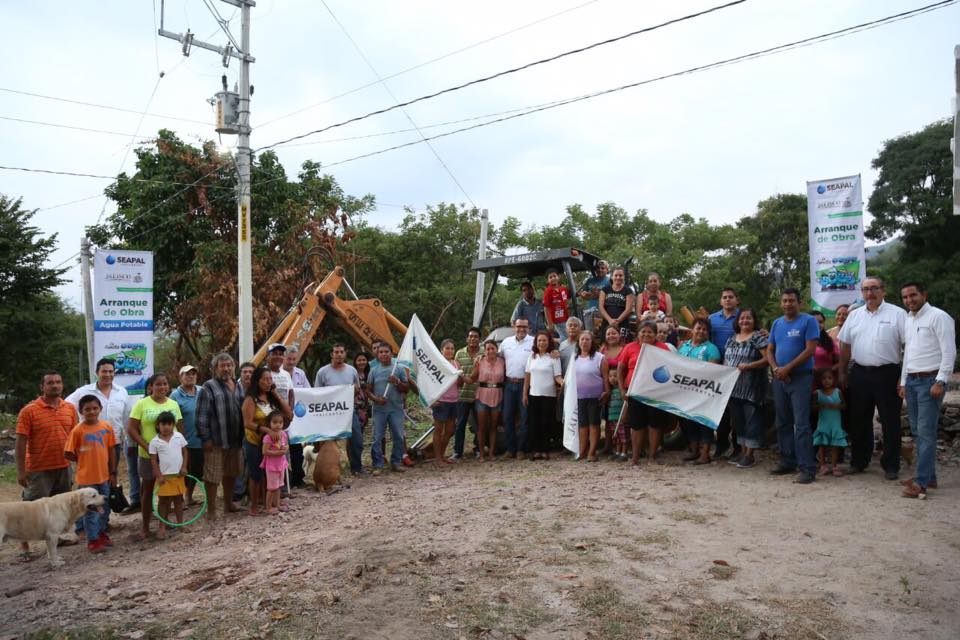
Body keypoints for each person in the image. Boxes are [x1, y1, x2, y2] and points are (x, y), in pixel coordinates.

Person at [837, 277, 906, 479]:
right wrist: (842, 371)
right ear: (862, 292)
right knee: (859, 420)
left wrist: (903, 377)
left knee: (890, 420)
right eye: (866, 289)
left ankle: (891, 465)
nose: (870, 293)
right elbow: (845, 346)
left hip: (888, 373)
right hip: (859, 373)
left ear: (883, 291)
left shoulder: (898, 314)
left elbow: (908, 346)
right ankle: (859, 461)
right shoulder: (855, 315)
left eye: (874, 288)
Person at [899, 282, 956, 499]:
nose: (909, 300)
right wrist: (903, 381)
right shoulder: (909, 319)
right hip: (913, 381)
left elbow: (949, 352)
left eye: (913, 295)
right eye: (905, 297)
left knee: (925, 433)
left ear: (924, 294)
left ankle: (921, 483)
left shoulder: (938, 317)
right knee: (917, 431)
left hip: (930, 381)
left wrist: (940, 381)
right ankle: (929, 477)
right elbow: (908, 354)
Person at [15, 371, 78, 559]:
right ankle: (24, 548)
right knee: (30, 510)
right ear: (42, 387)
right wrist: (21, 471)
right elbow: (20, 442)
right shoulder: (29, 410)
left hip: (63, 466)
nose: (55, 386)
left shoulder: (69, 408)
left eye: (58, 382)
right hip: (38, 469)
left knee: (60, 507)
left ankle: (56, 538)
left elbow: (75, 436)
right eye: (50, 383)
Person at [766, 288, 820, 484]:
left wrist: (787, 368)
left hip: (800, 377)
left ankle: (807, 468)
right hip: (780, 378)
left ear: (799, 303)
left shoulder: (808, 321)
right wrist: (775, 369)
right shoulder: (777, 323)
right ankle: (787, 461)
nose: (788, 304)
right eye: (785, 301)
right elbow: (770, 350)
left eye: (792, 301)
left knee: (802, 424)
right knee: (783, 422)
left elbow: (810, 350)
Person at [127, 372, 183, 539]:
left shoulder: (173, 404)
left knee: (169, 490)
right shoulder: (141, 404)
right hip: (148, 456)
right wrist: (148, 446)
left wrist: (178, 449)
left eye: (165, 384)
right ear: (150, 387)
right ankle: (145, 527)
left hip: (171, 456)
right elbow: (132, 429)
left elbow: (179, 427)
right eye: (158, 384)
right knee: (148, 490)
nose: (162, 387)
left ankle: (163, 525)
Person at [63, 395, 117, 553]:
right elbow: (68, 453)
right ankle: (92, 540)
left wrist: (113, 472)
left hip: (104, 476)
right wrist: (81, 459)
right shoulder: (78, 430)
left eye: (95, 408)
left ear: (100, 409)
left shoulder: (106, 427)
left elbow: (111, 450)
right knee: (91, 510)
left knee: (104, 508)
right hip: (87, 479)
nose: (92, 412)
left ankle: (101, 533)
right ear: (81, 411)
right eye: (87, 409)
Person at [195, 353, 244, 522]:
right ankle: (211, 510)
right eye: (222, 366)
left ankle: (228, 504)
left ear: (234, 366)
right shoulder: (208, 386)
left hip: (235, 439)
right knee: (212, 476)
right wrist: (205, 438)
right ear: (215, 368)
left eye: (229, 365)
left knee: (231, 473)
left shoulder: (238, 386)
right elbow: (201, 415)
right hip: (215, 440)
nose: (226, 368)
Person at [65, 358, 128, 485]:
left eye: (111, 372)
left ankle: (107, 504)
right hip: (90, 443)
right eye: (104, 371)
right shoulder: (84, 391)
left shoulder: (122, 391)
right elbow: (66, 405)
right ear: (97, 372)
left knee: (110, 478)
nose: (108, 375)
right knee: (90, 479)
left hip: (113, 443)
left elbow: (125, 416)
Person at [618, 321, 672, 466]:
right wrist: (622, 389)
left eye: (650, 332)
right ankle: (635, 457)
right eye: (643, 331)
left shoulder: (663, 348)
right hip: (635, 392)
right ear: (638, 333)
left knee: (655, 425)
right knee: (636, 425)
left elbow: (670, 369)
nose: (646, 334)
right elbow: (621, 369)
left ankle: (652, 456)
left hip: (655, 393)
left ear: (655, 334)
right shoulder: (630, 347)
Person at [722, 309, 768, 469]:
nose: (745, 321)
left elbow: (768, 359)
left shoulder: (758, 337)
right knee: (738, 422)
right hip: (733, 388)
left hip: (752, 387)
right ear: (737, 321)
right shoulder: (731, 339)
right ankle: (742, 452)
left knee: (752, 421)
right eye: (742, 318)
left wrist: (749, 366)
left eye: (749, 318)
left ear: (754, 320)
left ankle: (750, 455)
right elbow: (725, 360)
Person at [242, 367, 291, 516]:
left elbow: (289, 413)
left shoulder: (271, 398)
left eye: (271, 379)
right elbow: (247, 423)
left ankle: (269, 502)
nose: (269, 382)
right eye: (265, 379)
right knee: (256, 474)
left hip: (273, 443)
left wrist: (275, 392)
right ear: (258, 381)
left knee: (271, 473)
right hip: (255, 441)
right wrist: (267, 430)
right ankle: (254, 505)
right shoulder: (250, 400)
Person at [678, 318, 723, 466]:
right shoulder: (684, 347)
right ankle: (694, 451)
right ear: (692, 329)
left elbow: (713, 370)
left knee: (704, 423)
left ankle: (705, 455)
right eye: (698, 328)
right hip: (685, 392)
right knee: (689, 422)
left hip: (704, 393)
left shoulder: (712, 349)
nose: (701, 331)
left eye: (704, 329)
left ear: (708, 332)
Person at [315, 344, 365, 475]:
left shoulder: (352, 370)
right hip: (329, 413)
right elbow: (317, 393)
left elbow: (357, 390)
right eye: (336, 352)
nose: (339, 354)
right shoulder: (322, 372)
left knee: (357, 440)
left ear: (345, 354)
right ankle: (328, 470)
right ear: (331, 354)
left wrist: (355, 391)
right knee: (328, 443)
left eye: (341, 352)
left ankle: (356, 468)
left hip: (349, 411)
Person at [366, 344, 410, 472]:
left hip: (396, 408)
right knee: (377, 437)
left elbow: (406, 388)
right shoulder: (374, 370)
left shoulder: (399, 369)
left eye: (386, 351)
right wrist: (376, 399)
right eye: (381, 352)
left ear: (392, 354)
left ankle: (396, 462)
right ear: (377, 355)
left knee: (398, 436)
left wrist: (397, 382)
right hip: (379, 410)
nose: (384, 354)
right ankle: (378, 464)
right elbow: (368, 390)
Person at [708, 288, 740, 459]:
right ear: (720, 301)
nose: (727, 300)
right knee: (720, 410)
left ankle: (737, 447)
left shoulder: (743, 317)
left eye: (731, 297)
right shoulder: (712, 319)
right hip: (717, 369)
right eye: (724, 297)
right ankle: (721, 445)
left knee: (736, 409)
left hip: (737, 369)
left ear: (736, 300)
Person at [266, 343, 302, 487]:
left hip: (284, 422)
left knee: (283, 453)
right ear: (267, 356)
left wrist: (290, 412)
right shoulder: (263, 372)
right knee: (270, 455)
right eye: (275, 353)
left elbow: (291, 394)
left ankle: (283, 487)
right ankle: (271, 490)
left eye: (281, 354)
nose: (278, 356)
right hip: (268, 423)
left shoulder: (286, 374)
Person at [148, 411, 188, 539]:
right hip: (164, 478)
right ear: (157, 425)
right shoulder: (155, 442)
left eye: (169, 424)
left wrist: (184, 467)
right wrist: (158, 475)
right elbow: (153, 460)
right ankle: (162, 527)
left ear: (173, 425)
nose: (166, 427)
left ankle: (181, 524)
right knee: (163, 502)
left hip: (178, 476)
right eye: (163, 424)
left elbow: (185, 452)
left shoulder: (179, 436)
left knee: (178, 500)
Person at [523, 331, 562, 460]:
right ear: (536, 342)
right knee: (534, 424)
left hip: (549, 396)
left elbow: (557, 377)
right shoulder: (531, 357)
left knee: (546, 424)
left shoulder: (554, 357)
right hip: (534, 395)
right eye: (539, 340)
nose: (542, 343)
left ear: (549, 342)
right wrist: (525, 394)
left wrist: (564, 383)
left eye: (544, 340)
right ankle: (536, 450)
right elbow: (527, 377)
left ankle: (545, 450)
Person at [572, 331, 610, 462]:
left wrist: (606, 391)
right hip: (579, 397)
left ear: (592, 342)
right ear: (578, 342)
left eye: (587, 339)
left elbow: (605, 377)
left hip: (595, 397)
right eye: (582, 339)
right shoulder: (574, 358)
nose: (584, 342)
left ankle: (592, 452)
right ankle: (582, 451)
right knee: (582, 425)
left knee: (594, 424)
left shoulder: (600, 358)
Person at [500, 318, 533, 459]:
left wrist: (554, 352)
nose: (521, 329)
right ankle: (510, 449)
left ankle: (521, 449)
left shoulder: (534, 341)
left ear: (528, 327)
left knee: (525, 418)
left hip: (525, 384)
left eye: (524, 326)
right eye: (519, 326)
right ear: (514, 326)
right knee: (507, 417)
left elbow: (547, 351)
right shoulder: (506, 342)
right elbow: (496, 357)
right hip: (508, 385)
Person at [170, 365, 204, 506]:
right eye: (186, 374)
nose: (190, 376)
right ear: (180, 377)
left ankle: (189, 497)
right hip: (183, 442)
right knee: (184, 471)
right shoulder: (175, 396)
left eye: (193, 374)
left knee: (197, 471)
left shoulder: (202, 390)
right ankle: (180, 500)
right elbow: (173, 420)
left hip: (201, 440)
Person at [469, 340, 505, 462]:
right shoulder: (480, 361)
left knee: (494, 426)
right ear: (484, 351)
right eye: (488, 349)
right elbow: (472, 378)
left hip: (497, 395)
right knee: (481, 426)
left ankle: (491, 453)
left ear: (496, 349)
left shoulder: (502, 361)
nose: (490, 351)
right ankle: (481, 454)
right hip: (482, 396)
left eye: (492, 348)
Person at [451, 328, 481, 461]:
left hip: (479, 395)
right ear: (467, 339)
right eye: (471, 336)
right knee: (460, 424)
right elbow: (454, 372)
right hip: (462, 395)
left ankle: (478, 449)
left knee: (479, 425)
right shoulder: (459, 353)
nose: (473, 339)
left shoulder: (483, 352)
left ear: (479, 339)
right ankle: (458, 451)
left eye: (476, 336)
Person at [431, 339, 462, 466]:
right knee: (438, 430)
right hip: (441, 401)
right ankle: (438, 459)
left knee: (450, 430)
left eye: (452, 348)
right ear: (441, 350)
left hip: (453, 400)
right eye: (447, 348)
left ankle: (441, 455)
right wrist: (432, 399)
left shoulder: (456, 364)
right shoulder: (436, 364)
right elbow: (430, 382)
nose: (450, 351)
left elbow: (459, 384)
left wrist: (460, 376)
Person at [813, 370, 847, 477]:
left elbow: (844, 406)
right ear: (820, 380)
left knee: (834, 445)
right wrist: (821, 406)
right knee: (822, 444)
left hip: (835, 424)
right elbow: (813, 407)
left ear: (834, 379)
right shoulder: (817, 393)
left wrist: (837, 406)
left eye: (829, 378)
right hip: (823, 423)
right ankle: (822, 465)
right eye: (824, 378)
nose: (827, 381)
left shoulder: (838, 392)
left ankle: (834, 466)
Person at [600, 326, 625, 457]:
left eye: (614, 333)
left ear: (619, 335)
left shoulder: (624, 349)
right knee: (608, 418)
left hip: (620, 387)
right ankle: (608, 445)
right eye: (608, 333)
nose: (611, 336)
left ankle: (624, 446)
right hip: (606, 387)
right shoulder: (602, 350)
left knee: (622, 419)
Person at [260, 411, 290, 515]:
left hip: (281, 464)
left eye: (280, 422)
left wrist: (285, 448)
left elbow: (286, 445)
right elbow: (264, 451)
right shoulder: (268, 437)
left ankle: (277, 505)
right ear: (269, 423)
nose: (278, 425)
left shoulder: (283, 434)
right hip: (272, 466)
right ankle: (268, 508)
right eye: (275, 422)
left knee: (279, 486)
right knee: (271, 488)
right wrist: (278, 452)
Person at [599, 266, 635, 340]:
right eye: (616, 275)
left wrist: (617, 321)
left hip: (623, 323)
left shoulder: (628, 291)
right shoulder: (605, 289)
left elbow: (628, 309)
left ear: (624, 277)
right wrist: (610, 320)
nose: (618, 277)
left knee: (623, 343)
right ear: (612, 277)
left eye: (620, 275)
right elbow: (601, 307)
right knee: (605, 344)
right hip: (607, 322)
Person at [579, 260, 610, 334]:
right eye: (598, 268)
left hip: (604, 313)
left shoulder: (610, 281)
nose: (600, 270)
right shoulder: (590, 280)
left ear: (607, 270)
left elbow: (610, 296)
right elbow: (583, 295)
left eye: (603, 268)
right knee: (589, 334)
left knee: (603, 333)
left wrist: (594, 295)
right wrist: (584, 295)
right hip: (589, 312)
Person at [605, 368, 627, 461]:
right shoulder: (610, 391)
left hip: (620, 418)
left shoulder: (622, 390)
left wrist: (624, 415)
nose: (612, 378)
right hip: (612, 417)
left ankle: (624, 453)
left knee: (623, 436)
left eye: (615, 376)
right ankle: (617, 452)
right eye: (610, 376)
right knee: (616, 436)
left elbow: (626, 404)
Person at [543, 269, 571, 341]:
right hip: (557, 320)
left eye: (554, 276)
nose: (553, 278)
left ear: (558, 277)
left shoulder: (563, 289)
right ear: (548, 280)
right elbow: (546, 308)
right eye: (550, 277)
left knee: (568, 336)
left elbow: (568, 298)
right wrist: (550, 324)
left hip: (566, 318)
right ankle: (555, 341)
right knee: (565, 337)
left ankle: (554, 340)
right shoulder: (548, 291)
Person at [810, 311, 838, 375]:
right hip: (804, 379)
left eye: (820, 322)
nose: (818, 325)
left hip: (825, 382)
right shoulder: (800, 341)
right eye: (814, 322)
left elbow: (840, 362)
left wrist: (828, 371)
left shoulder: (829, 341)